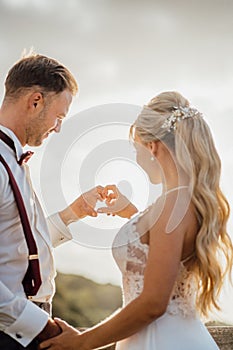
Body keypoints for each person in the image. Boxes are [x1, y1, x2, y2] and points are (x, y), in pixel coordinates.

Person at [40, 91, 233, 350]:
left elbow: (152, 303)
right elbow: (158, 250)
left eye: (136, 148)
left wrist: (81, 342)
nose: (137, 157)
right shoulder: (179, 203)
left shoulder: (172, 205)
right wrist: (134, 214)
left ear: (151, 146)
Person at [0, 52, 106, 350]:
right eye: (59, 116)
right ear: (35, 101)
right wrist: (40, 326)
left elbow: (15, 245)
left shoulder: (13, 160)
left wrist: (72, 213)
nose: (58, 127)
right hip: (12, 331)